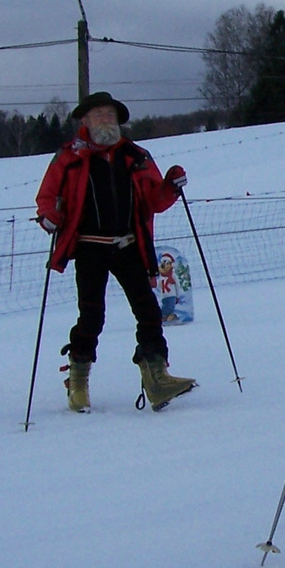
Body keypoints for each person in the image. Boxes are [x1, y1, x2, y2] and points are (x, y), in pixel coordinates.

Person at [35, 92, 197, 411]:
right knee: (92, 316)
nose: (106, 121)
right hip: (89, 247)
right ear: (85, 121)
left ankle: (157, 378)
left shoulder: (136, 156)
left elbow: (154, 201)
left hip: (129, 245)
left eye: (110, 116)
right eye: (99, 116)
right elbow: (47, 197)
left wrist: (171, 187)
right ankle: (78, 382)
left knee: (149, 312)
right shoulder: (68, 158)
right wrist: (49, 217)